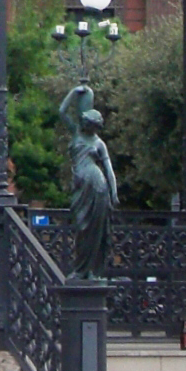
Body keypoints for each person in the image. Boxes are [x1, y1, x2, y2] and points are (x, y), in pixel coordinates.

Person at [59, 83, 118, 279]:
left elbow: (108, 169)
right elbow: (61, 111)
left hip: (98, 186)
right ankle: (80, 269)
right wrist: (72, 92)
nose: (84, 124)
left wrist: (114, 191)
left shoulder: (99, 143)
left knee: (95, 229)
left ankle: (91, 271)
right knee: (82, 227)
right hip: (81, 186)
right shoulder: (76, 132)